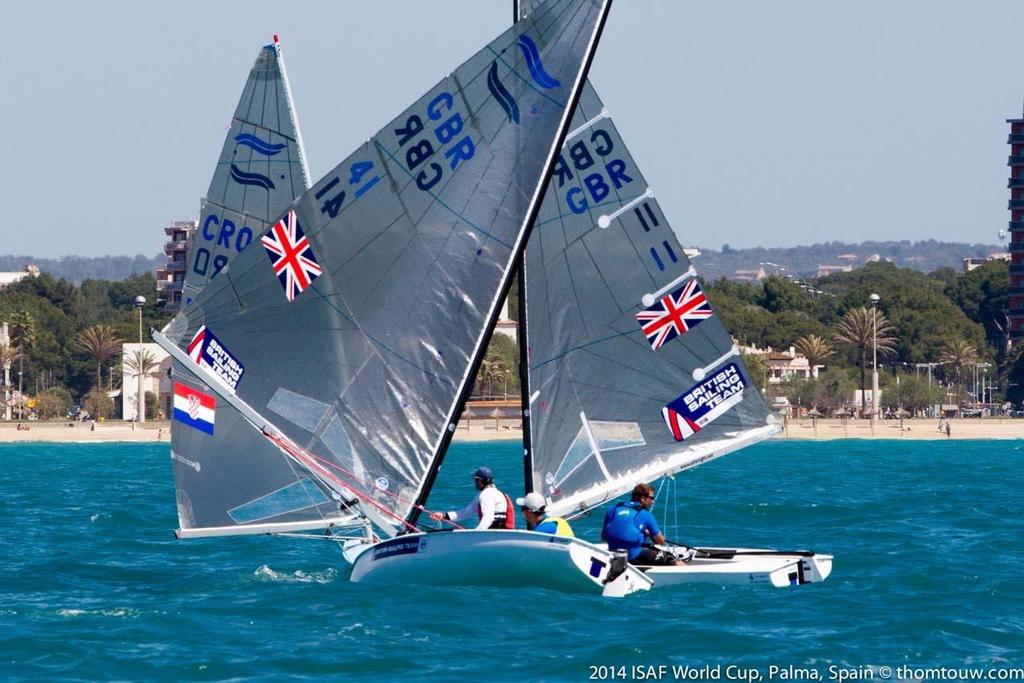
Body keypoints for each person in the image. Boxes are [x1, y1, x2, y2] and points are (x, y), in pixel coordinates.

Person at [601, 483, 681, 566]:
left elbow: (604, 538)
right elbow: (660, 541)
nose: (653, 501)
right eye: (651, 498)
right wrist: (649, 534)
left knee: (642, 545)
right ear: (642, 498)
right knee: (670, 557)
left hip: (614, 555)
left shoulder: (612, 510)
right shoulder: (645, 514)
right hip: (632, 556)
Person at [432, 467, 515, 530]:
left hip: (494, 535)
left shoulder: (486, 495)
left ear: (480, 481)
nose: (475, 482)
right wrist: (444, 516)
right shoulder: (496, 493)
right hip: (501, 533)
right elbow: (467, 512)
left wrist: (477, 533)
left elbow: (488, 517)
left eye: (476, 480)